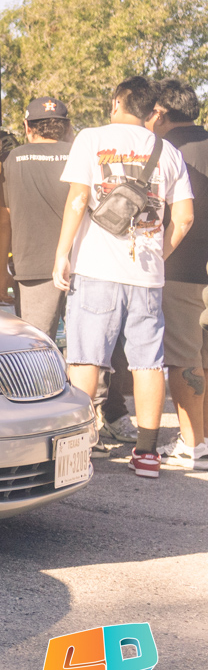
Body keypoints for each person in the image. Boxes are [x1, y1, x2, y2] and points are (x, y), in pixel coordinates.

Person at [52, 75, 195, 479]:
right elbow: (184, 218)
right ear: (152, 110)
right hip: (146, 275)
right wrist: (158, 256)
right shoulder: (168, 152)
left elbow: (79, 198)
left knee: (85, 358)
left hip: (95, 267)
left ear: (117, 102)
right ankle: (147, 454)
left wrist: (62, 253)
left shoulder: (91, 138)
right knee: (147, 363)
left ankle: (78, 449)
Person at [148, 78, 208, 470]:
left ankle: (192, 443)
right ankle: (203, 437)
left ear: (160, 112)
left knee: (185, 357)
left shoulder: (166, 152)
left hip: (181, 268)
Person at [3, 96, 74, 337]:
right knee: (86, 349)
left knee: (36, 345)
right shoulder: (80, 156)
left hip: (32, 269)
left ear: (27, 126)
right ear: (66, 127)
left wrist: (1, 269)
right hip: (80, 266)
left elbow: (4, 219)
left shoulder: (13, 159)